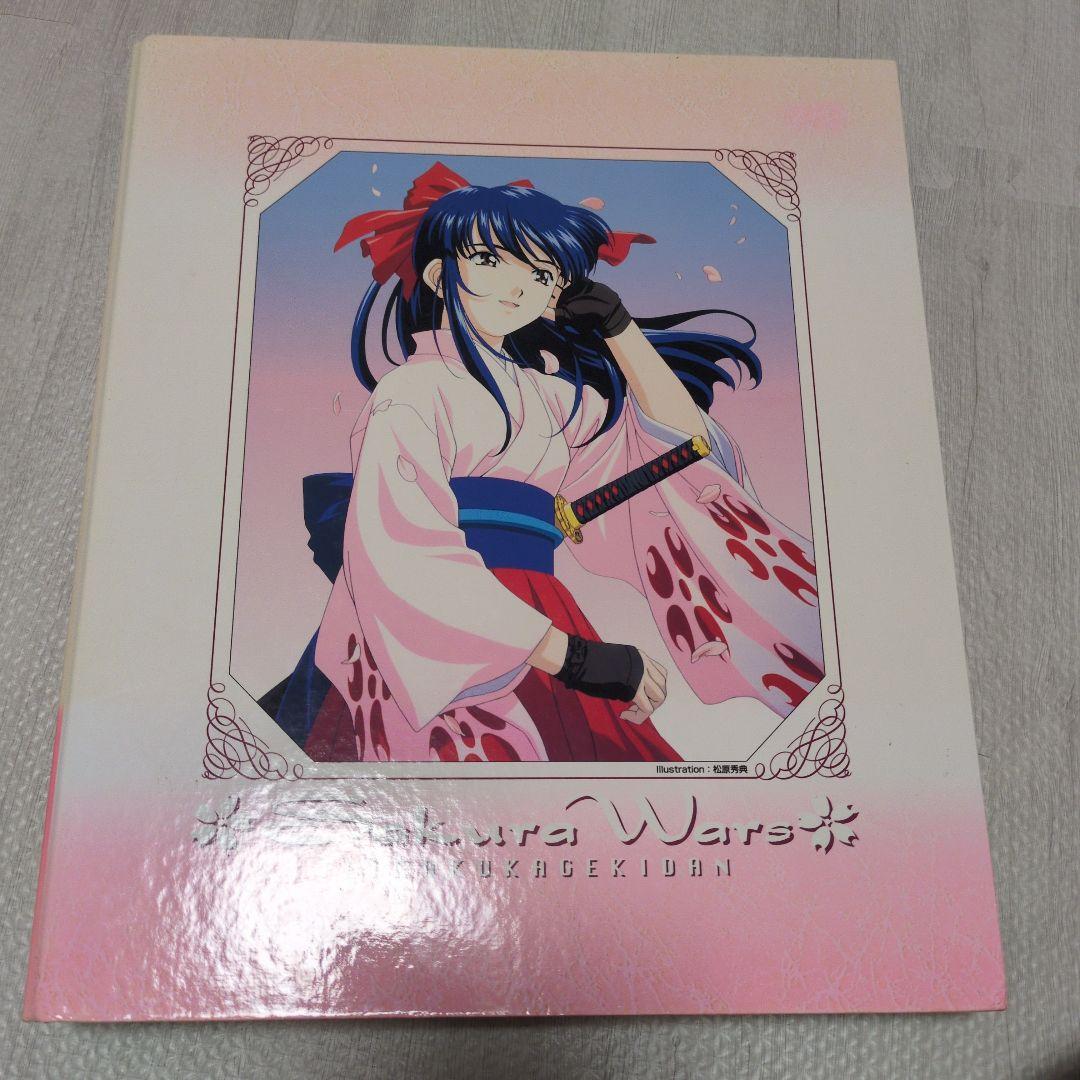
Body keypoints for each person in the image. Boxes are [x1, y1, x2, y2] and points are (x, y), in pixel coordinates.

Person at [258, 161, 824, 763]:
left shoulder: (548, 399)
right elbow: (406, 551)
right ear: (439, 276)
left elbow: (681, 453)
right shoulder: (411, 393)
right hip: (448, 629)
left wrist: (619, 330)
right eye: (489, 260)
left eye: (540, 272)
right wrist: (573, 658)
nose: (517, 285)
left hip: (539, 612)